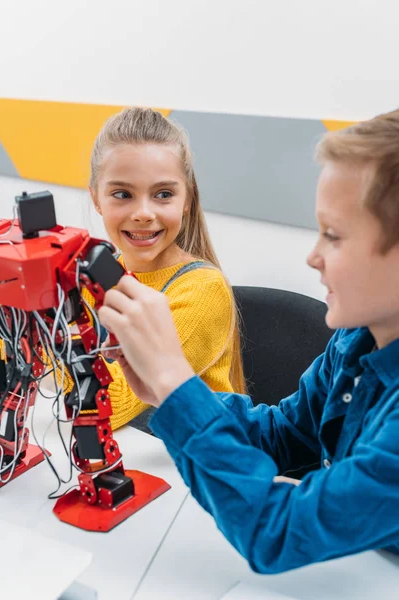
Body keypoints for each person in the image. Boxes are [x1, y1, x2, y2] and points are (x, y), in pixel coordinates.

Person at [98, 109, 399, 573]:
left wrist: (178, 386)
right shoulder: (356, 342)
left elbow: (278, 532)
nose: (313, 256)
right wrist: (168, 394)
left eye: (334, 236)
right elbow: (281, 433)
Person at [61, 107, 245, 431]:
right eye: (122, 194)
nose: (143, 213)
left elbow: (107, 406)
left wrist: (43, 329)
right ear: (96, 199)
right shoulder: (93, 277)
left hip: (188, 468)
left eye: (163, 194)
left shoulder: (202, 291)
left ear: (186, 200)